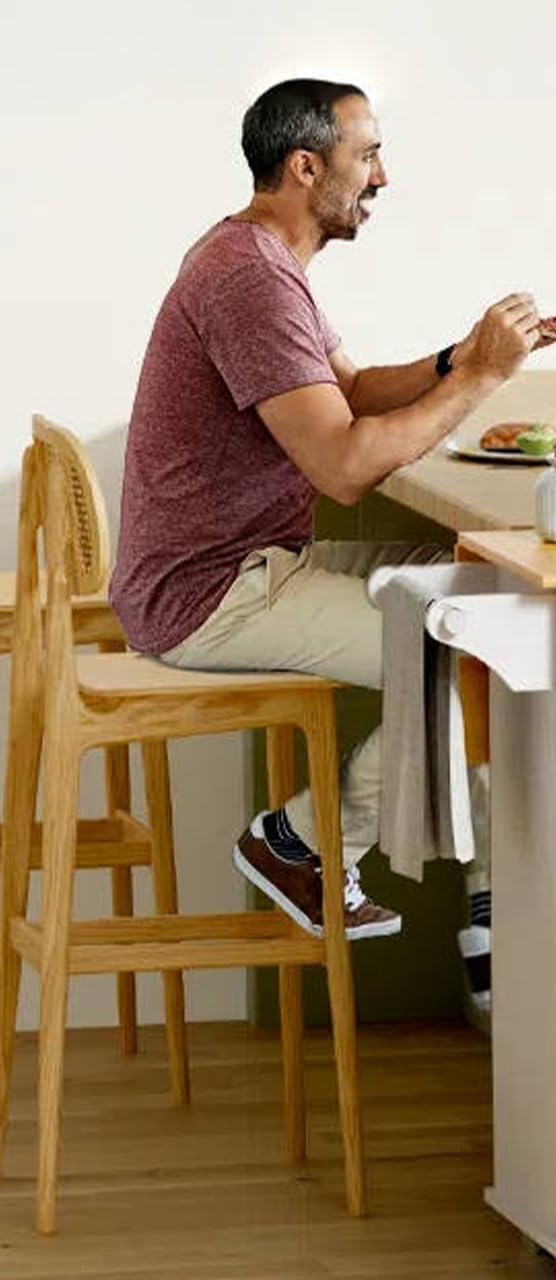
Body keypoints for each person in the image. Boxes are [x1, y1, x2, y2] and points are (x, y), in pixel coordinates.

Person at [110, 77, 532, 1013]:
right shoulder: (250, 278)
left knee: (491, 595)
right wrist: (484, 383)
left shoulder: (254, 256)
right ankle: (301, 841)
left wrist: (456, 359)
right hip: (212, 595)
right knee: (466, 636)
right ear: (308, 166)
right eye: (367, 154)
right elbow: (344, 465)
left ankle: (491, 908)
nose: (383, 174)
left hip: (249, 565)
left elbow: (351, 387)